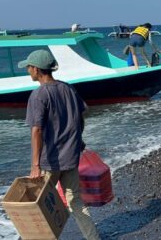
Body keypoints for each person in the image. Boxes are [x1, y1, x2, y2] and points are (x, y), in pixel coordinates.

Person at [18, 50, 100, 240]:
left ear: (37, 69)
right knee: (75, 202)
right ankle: (93, 238)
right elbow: (80, 118)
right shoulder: (68, 89)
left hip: (50, 161)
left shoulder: (39, 95)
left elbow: (36, 130)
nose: (28, 70)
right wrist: (78, 140)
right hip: (71, 157)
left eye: (29, 67)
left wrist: (35, 165)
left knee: (38, 205)